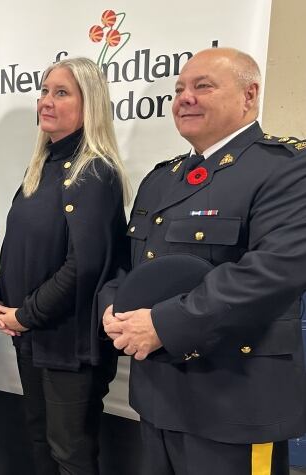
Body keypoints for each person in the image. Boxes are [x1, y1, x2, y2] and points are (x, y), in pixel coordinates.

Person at [102, 47, 306, 475]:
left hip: (235, 399)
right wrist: (113, 306)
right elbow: (129, 263)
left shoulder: (287, 169)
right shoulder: (162, 178)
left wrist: (162, 324)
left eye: (203, 86)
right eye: (179, 89)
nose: (185, 98)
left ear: (249, 96)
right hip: (159, 394)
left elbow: (273, 272)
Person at [0, 57, 129, 475]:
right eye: (45, 91)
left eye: (61, 92)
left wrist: (25, 314)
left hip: (68, 340)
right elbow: (19, 246)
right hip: (33, 334)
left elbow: (84, 265)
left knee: (69, 450)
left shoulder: (95, 172)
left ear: (90, 103)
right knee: (41, 439)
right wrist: (3, 301)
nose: (46, 101)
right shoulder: (43, 167)